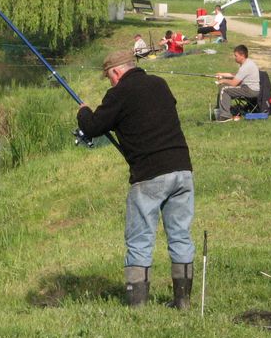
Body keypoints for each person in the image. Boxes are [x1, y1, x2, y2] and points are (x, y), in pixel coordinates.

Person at [77, 50, 195, 309]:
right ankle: (183, 302)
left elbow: (93, 127)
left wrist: (83, 111)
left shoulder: (119, 93)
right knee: (180, 236)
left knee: (140, 238)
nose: (110, 82)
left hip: (149, 174)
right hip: (182, 170)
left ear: (117, 72)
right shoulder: (160, 84)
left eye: (109, 77)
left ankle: (137, 306)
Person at [214, 44, 260, 122]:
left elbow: (234, 83)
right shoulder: (247, 62)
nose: (235, 58)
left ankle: (225, 116)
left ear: (242, 55)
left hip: (250, 90)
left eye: (236, 56)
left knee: (224, 89)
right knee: (225, 87)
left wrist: (223, 80)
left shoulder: (246, 66)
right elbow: (236, 75)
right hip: (249, 88)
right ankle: (221, 111)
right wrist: (222, 74)